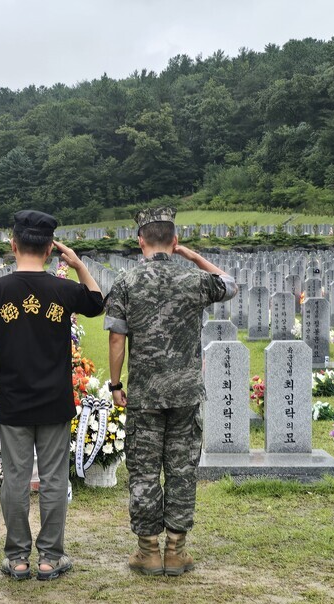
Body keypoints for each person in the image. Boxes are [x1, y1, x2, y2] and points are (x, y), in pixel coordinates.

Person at [0, 210, 104, 581]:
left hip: (14, 401)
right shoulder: (62, 290)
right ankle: (50, 557)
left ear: (13, 246)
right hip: (54, 400)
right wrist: (77, 265)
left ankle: (17, 558)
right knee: (54, 478)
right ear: (49, 249)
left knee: (14, 478)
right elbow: (96, 302)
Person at [104, 206, 237, 577]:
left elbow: (117, 338)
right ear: (174, 241)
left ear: (140, 241)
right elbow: (230, 284)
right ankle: (176, 551)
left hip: (144, 394)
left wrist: (115, 384)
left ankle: (148, 552)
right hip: (185, 392)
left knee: (144, 471)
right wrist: (191, 256)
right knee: (181, 470)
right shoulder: (192, 280)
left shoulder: (127, 282)